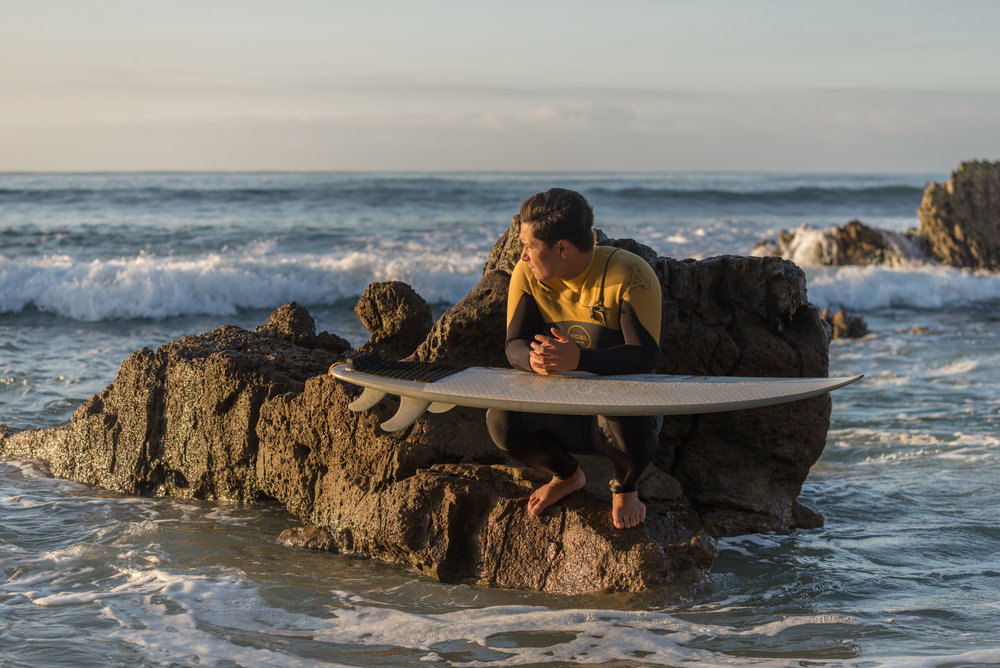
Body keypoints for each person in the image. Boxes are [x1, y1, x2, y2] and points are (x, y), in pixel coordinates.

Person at [486, 188, 663, 529]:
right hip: (560, 413)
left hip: (622, 424)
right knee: (501, 419)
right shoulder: (527, 275)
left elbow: (644, 358)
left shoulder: (629, 275)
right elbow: (514, 345)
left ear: (562, 248)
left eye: (529, 247)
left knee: (629, 409)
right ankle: (566, 475)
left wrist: (579, 360)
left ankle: (625, 486)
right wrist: (534, 361)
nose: (522, 256)